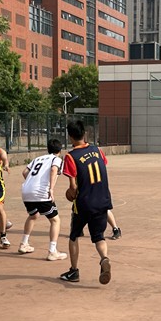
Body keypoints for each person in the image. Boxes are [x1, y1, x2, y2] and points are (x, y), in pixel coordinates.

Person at [59, 120, 113, 284]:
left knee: (74, 236)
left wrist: (69, 194)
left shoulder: (71, 156)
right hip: (102, 200)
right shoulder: (98, 151)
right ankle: (104, 258)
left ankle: (74, 271)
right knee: (99, 237)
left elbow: (73, 187)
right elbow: (102, 167)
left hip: (84, 203)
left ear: (70, 136)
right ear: (85, 134)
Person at [19, 138, 68, 261]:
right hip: (41, 193)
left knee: (33, 215)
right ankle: (52, 251)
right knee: (55, 220)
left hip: (26, 191)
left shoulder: (38, 159)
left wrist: (32, 183)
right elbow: (54, 170)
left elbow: (24, 172)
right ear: (60, 150)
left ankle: (24, 243)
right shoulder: (56, 159)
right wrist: (51, 189)